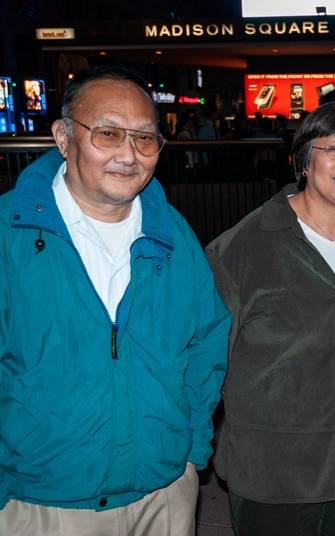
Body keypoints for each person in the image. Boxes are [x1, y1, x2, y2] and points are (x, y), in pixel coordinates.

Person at [0, 65, 230, 535]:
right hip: (39, 503)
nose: (129, 154)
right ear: (63, 137)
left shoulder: (174, 237)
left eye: (145, 139)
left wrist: (191, 453)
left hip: (161, 495)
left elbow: (207, 345)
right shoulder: (10, 234)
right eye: (108, 133)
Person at [206, 102, 335, 536]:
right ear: (304, 161)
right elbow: (205, 365)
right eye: (334, 149)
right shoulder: (239, 250)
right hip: (275, 476)